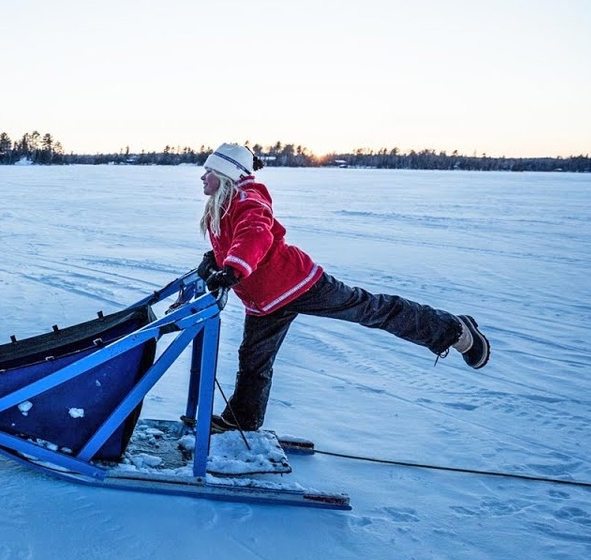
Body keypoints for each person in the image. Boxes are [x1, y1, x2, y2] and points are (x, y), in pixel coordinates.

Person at [190, 142, 490, 433]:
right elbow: (236, 241)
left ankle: (455, 331)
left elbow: (255, 234)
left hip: (297, 284)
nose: (203, 177)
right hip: (265, 301)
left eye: (209, 171)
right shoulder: (224, 204)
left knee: (371, 309)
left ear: (227, 175)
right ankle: (241, 421)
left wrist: (233, 268)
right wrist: (215, 261)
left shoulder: (248, 200)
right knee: (253, 360)